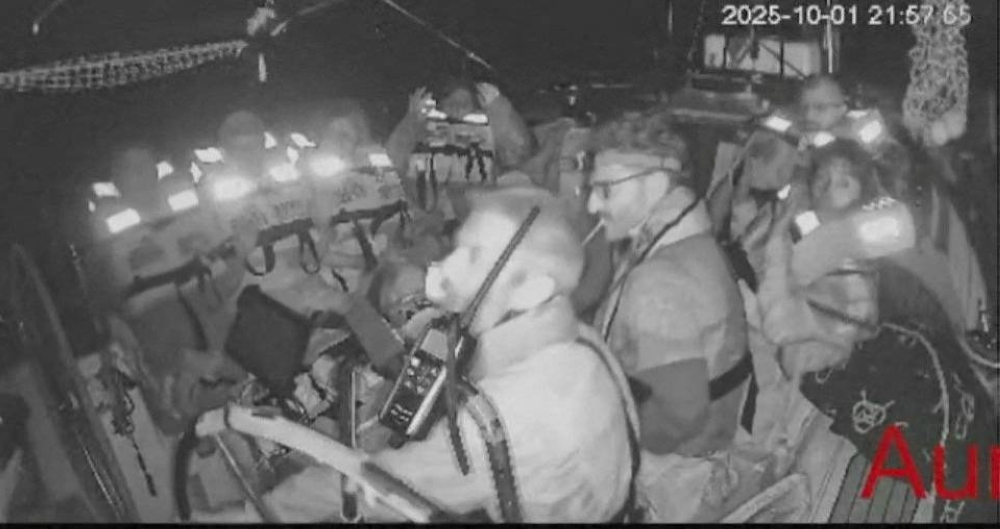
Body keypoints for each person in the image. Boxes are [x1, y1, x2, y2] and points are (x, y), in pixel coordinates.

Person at [194, 187, 639, 523]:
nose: (444, 267)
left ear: (533, 287)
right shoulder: (584, 342)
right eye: (456, 247)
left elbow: (374, 488)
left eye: (472, 256)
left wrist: (253, 515)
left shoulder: (498, 417)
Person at [586, 110, 753, 521]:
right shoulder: (694, 245)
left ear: (656, 184)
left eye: (606, 190)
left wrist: (611, 444)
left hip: (665, 484)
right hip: (701, 466)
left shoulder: (657, 281)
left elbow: (679, 412)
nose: (592, 203)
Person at [386, 76, 534, 229]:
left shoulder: (489, 137)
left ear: (476, 109)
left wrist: (497, 105)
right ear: (440, 107)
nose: (457, 108)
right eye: (451, 103)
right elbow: (392, 162)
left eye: (464, 104)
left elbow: (519, 150)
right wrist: (412, 120)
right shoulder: (423, 135)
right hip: (431, 227)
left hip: (479, 221)